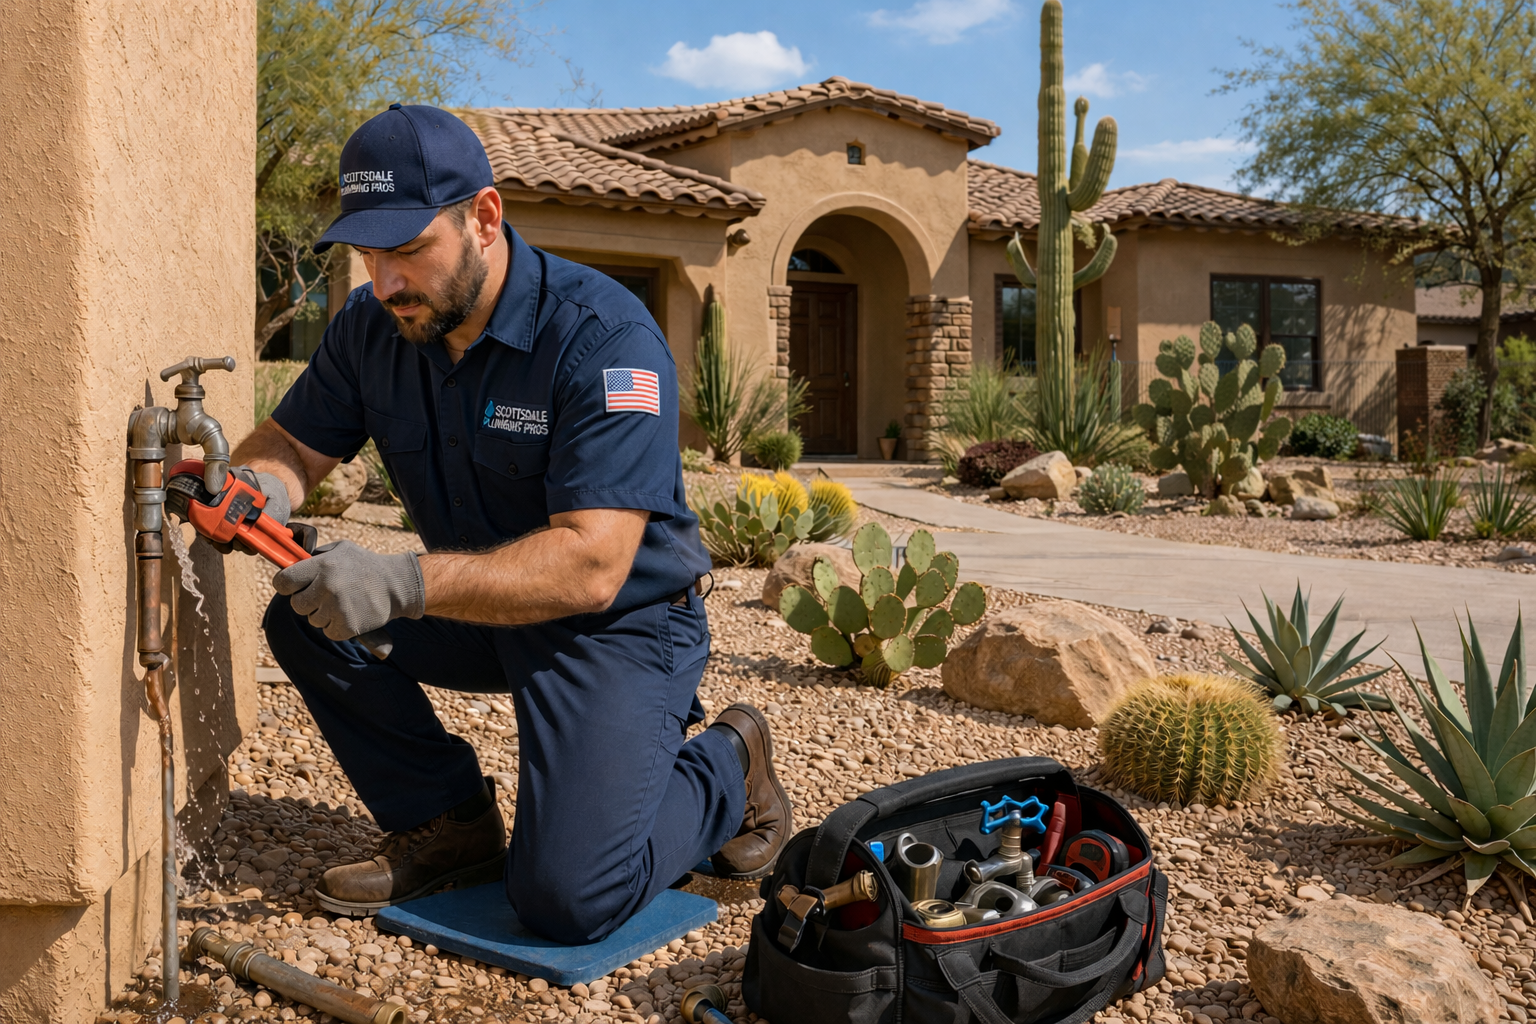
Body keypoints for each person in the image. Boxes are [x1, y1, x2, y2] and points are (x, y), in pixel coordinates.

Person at [227, 104, 793, 944]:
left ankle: (729, 762)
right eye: (369, 253)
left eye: (409, 248)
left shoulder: (604, 339)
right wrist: (256, 487)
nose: (385, 281)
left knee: (570, 899)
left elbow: (594, 565)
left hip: (617, 624)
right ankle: (447, 824)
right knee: (307, 617)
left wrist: (404, 582)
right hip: (482, 605)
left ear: (484, 218)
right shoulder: (372, 326)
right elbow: (290, 444)